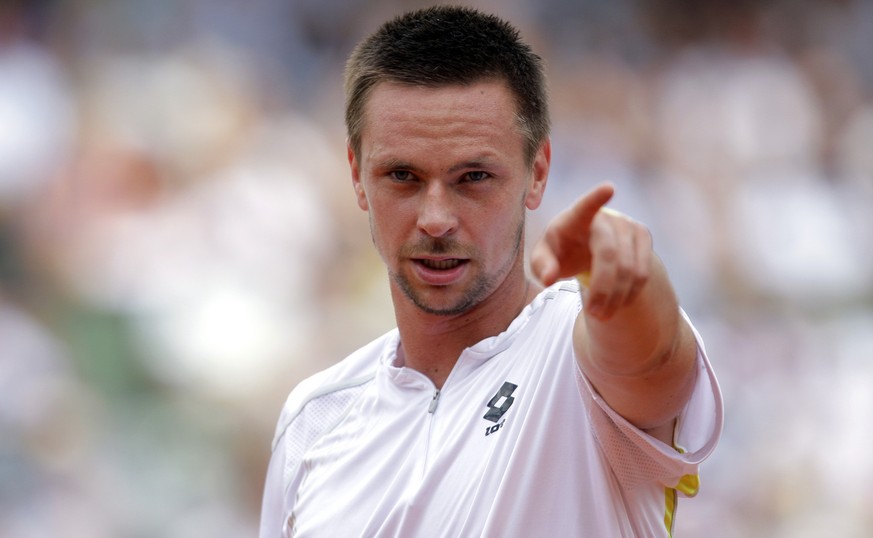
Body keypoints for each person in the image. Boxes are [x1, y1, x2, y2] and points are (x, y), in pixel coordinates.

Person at [259, 5, 722, 537]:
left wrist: (626, 286)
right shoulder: (313, 420)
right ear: (358, 176)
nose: (435, 219)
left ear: (537, 172)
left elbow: (651, 363)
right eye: (402, 176)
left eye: (473, 176)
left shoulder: (577, 354)